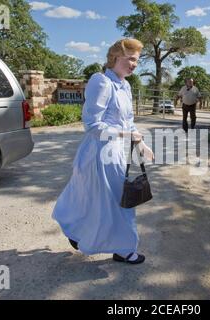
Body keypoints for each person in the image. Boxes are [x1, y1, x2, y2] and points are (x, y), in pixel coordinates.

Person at [51, 39, 154, 265]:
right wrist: (129, 136)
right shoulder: (101, 82)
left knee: (100, 200)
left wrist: (141, 144)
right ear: (117, 56)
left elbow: (128, 122)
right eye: (132, 59)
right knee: (118, 202)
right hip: (100, 153)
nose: (135, 65)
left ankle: (81, 235)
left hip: (116, 152)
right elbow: (92, 125)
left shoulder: (124, 85)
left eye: (137, 60)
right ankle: (125, 250)